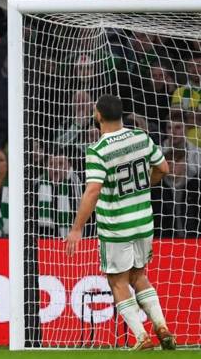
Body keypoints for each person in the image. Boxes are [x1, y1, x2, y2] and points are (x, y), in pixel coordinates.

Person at [66, 95, 176, 350]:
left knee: (117, 281)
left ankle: (141, 336)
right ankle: (161, 326)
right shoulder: (141, 137)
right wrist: (144, 185)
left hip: (117, 226)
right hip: (144, 221)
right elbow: (164, 168)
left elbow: (92, 191)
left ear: (98, 115)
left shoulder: (98, 150)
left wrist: (77, 228)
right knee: (139, 275)